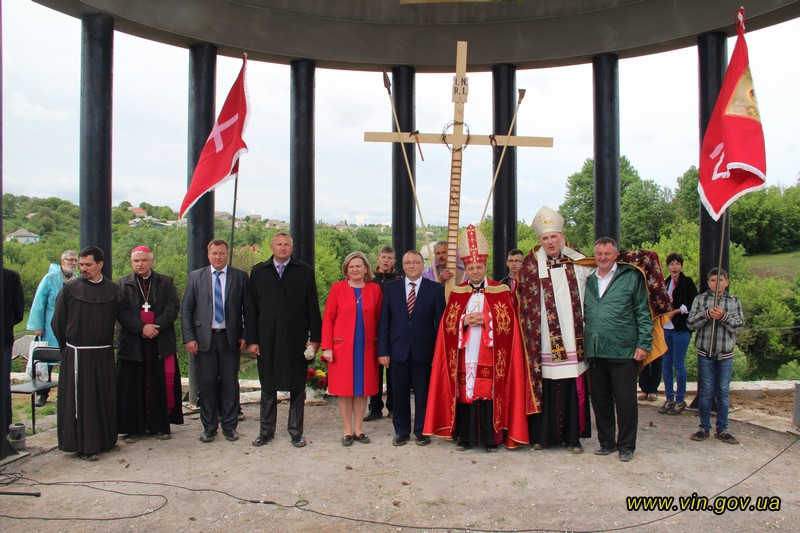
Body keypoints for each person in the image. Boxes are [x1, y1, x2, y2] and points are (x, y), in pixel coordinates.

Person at [424, 225, 533, 451]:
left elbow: (509, 324)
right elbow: (447, 325)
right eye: (471, 267)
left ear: (485, 268)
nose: (475, 271)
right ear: (467, 269)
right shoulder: (457, 292)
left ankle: (490, 439)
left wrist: (487, 321)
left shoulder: (500, 291)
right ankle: (465, 437)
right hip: (465, 353)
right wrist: (463, 321)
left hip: (490, 352)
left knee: (488, 393)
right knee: (466, 392)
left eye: (479, 267)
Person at [517, 206, 594, 453]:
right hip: (544, 341)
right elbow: (524, 301)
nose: (550, 242)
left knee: (572, 388)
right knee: (546, 386)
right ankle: (543, 436)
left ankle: (574, 438)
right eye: (545, 238)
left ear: (562, 237)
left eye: (553, 237)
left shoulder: (579, 261)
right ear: (539, 240)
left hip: (572, 338)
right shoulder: (530, 266)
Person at [247, 232, 321, 448]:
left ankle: (296, 432)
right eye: (279, 244)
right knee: (268, 386)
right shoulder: (259, 272)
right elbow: (252, 309)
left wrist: (314, 340)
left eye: (286, 244)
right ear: (271, 246)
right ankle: (266, 431)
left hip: (295, 337)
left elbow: (312, 307)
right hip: (266, 337)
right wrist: (252, 339)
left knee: (297, 386)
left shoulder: (304, 271)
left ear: (292, 247)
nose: (282, 248)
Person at [583, 237, 653, 462]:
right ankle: (606, 443)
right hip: (595, 349)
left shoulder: (631, 277)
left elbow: (643, 311)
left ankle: (626, 445)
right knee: (600, 400)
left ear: (616, 255)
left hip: (623, 350)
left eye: (607, 253)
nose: (603, 257)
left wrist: (643, 343)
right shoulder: (589, 279)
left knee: (625, 401)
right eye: (599, 254)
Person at [52, 246, 120, 461]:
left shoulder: (112, 289)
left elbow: (121, 318)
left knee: (104, 398)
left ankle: (106, 440)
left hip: (103, 353)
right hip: (78, 354)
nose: (83, 269)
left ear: (100, 264)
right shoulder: (70, 288)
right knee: (84, 401)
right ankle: (85, 444)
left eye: (88, 265)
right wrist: (69, 348)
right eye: (81, 265)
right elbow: (58, 323)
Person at [182, 239, 250, 443]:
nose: (218, 257)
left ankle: (229, 426)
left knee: (230, 384)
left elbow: (248, 310)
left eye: (221, 253)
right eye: (214, 253)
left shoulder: (239, 277)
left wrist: (246, 335)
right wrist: (189, 338)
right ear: (208, 254)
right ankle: (209, 427)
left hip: (230, 340)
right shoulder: (196, 277)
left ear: (227, 254)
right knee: (208, 385)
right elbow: (187, 310)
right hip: (204, 340)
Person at [116, 246, 183, 443]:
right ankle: (133, 429)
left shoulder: (165, 282)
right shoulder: (122, 285)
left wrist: (156, 327)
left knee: (159, 384)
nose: (140, 264)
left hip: (159, 341)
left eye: (144, 260)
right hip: (133, 343)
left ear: (152, 261)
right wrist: (141, 328)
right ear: (131, 262)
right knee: (132, 386)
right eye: (136, 261)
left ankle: (160, 426)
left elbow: (173, 307)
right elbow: (121, 312)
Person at [378, 250, 445, 446]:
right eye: (408, 263)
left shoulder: (434, 289)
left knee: (423, 393)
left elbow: (440, 322)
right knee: (399, 394)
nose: (412, 266)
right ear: (402, 265)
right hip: (397, 349)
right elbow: (384, 321)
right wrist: (383, 351)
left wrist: (439, 352)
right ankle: (401, 431)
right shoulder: (392, 288)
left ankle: (422, 431)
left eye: (416, 262)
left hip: (424, 350)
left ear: (422, 264)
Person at [321, 251, 383, 446]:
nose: (355, 269)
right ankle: (347, 430)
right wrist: (327, 347)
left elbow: (381, 320)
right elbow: (328, 319)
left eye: (359, 266)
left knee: (361, 389)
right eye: (351, 266)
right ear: (346, 270)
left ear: (366, 268)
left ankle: (359, 430)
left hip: (366, 348)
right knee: (345, 390)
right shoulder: (337, 288)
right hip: (342, 349)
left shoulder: (374, 290)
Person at [687, 268, 744, 445]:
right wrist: (706, 315)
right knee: (705, 392)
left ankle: (723, 429)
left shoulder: (734, 301)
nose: (716, 283)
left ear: (726, 282)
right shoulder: (700, 299)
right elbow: (690, 323)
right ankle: (704, 427)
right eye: (713, 280)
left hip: (725, 354)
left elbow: (739, 326)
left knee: (723, 392)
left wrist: (723, 317)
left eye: (720, 280)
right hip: (705, 353)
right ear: (708, 282)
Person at [26, 249, 79, 406]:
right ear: (62, 261)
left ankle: (66, 394)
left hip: (70, 327)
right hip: (50, 327)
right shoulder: (50, 278)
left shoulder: (77, 280)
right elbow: (39, 302)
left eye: (76, 260)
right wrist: (38, 326)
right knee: (46, 362)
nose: (73, 263)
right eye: (70, 260)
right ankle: (42, 393)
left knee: (67, 361)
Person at [364, 245, 402, 422]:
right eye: (383, 257)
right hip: (373, 330)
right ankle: (375, 407)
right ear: (377, 259)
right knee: (374, 371)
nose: (386, 261)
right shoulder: (369, 281)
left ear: (394, 261)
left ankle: (393, 407)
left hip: (394, 331)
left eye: (390, 258)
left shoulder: (400, 280)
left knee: (393, 371)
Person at [658, 253, 698, 416]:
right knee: (666, 364)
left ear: (681, 266)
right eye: (672, 264)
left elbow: (694, 302)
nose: (674, 267)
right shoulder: (665, 283)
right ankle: (669, 398)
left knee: (678, 364)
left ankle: (680, 399)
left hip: (680, 328)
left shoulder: (686, 282)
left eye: (677, 264)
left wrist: (677, 311)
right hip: (667, 328)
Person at [2, 268, 24, 433]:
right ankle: (5, 426)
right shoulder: (12, 276)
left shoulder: (11, 276)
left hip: (4, 339)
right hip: (4, 337)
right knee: (3, 385)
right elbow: (18, 312)